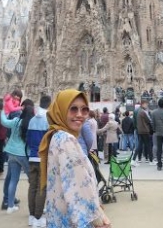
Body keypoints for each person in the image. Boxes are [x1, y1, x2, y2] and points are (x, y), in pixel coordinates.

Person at [39, 89, 111, 228]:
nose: (79, 115)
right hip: (75, 222)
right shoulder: (66, 140)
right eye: (73, 109)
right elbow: (78, 187)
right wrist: (98, 219)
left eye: (84, 110)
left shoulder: (57, 135)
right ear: (61, 110)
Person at [1, 104, 35, 213]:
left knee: (13, 180)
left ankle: (10, 206)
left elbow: (4, 122)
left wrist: (4, 110)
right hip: (23, 154)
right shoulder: (30, 124)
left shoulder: (16, 121)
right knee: (33, 180)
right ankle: (35, 205)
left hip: (11, 152)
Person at [27, 95, 52, 228]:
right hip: (42, 158)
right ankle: (38, 217)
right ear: (49, 104)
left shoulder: (32, 120)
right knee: (41, 187)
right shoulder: (48, 119)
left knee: (32, 186)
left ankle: (31, 216)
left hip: (32, 156)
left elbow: (29, 140)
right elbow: (49, 141)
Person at [131, 99, 155, 166]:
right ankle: (151, 160)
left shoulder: (138, 111)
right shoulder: (143, 112)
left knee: (139, 145)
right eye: (146, 104)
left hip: (140, 130)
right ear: (143, 104)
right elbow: (148, 120)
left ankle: (133, 160)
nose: (147, 105)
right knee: (148, 145)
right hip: (145, 131)